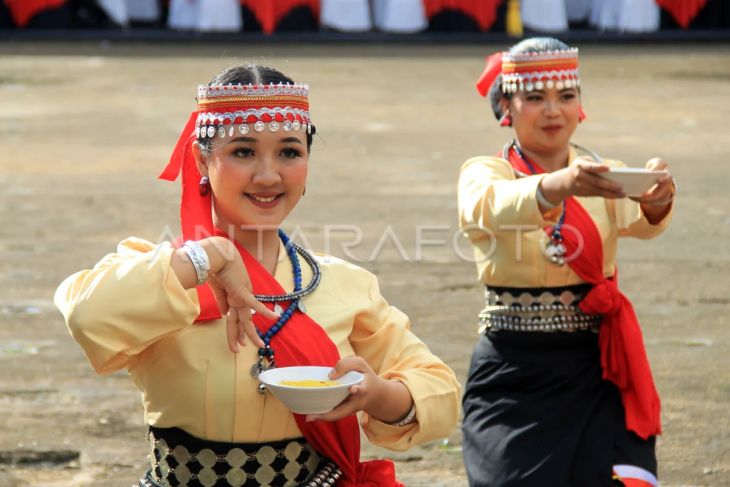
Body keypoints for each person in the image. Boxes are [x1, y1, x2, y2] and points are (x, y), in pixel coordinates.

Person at [54, 64, 461, 487]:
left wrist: (375, 393)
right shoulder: (163, 274)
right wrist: (208, 258)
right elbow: (86, 316)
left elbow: (441, 392)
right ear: (201, 159)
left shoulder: (340, 283)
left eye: (289, 152)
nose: (268, 175)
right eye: (243, 152)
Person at [458, 38, 675, 487]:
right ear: (506, 108)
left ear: (581, 107)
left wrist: (658, 200)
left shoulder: (604, 171)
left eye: (566, 96)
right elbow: (486, 207)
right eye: (535, 98)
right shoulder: (486, 171)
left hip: (597, 363)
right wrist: (558, 186)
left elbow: (642, 219)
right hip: (513, 368)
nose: (553, 111)